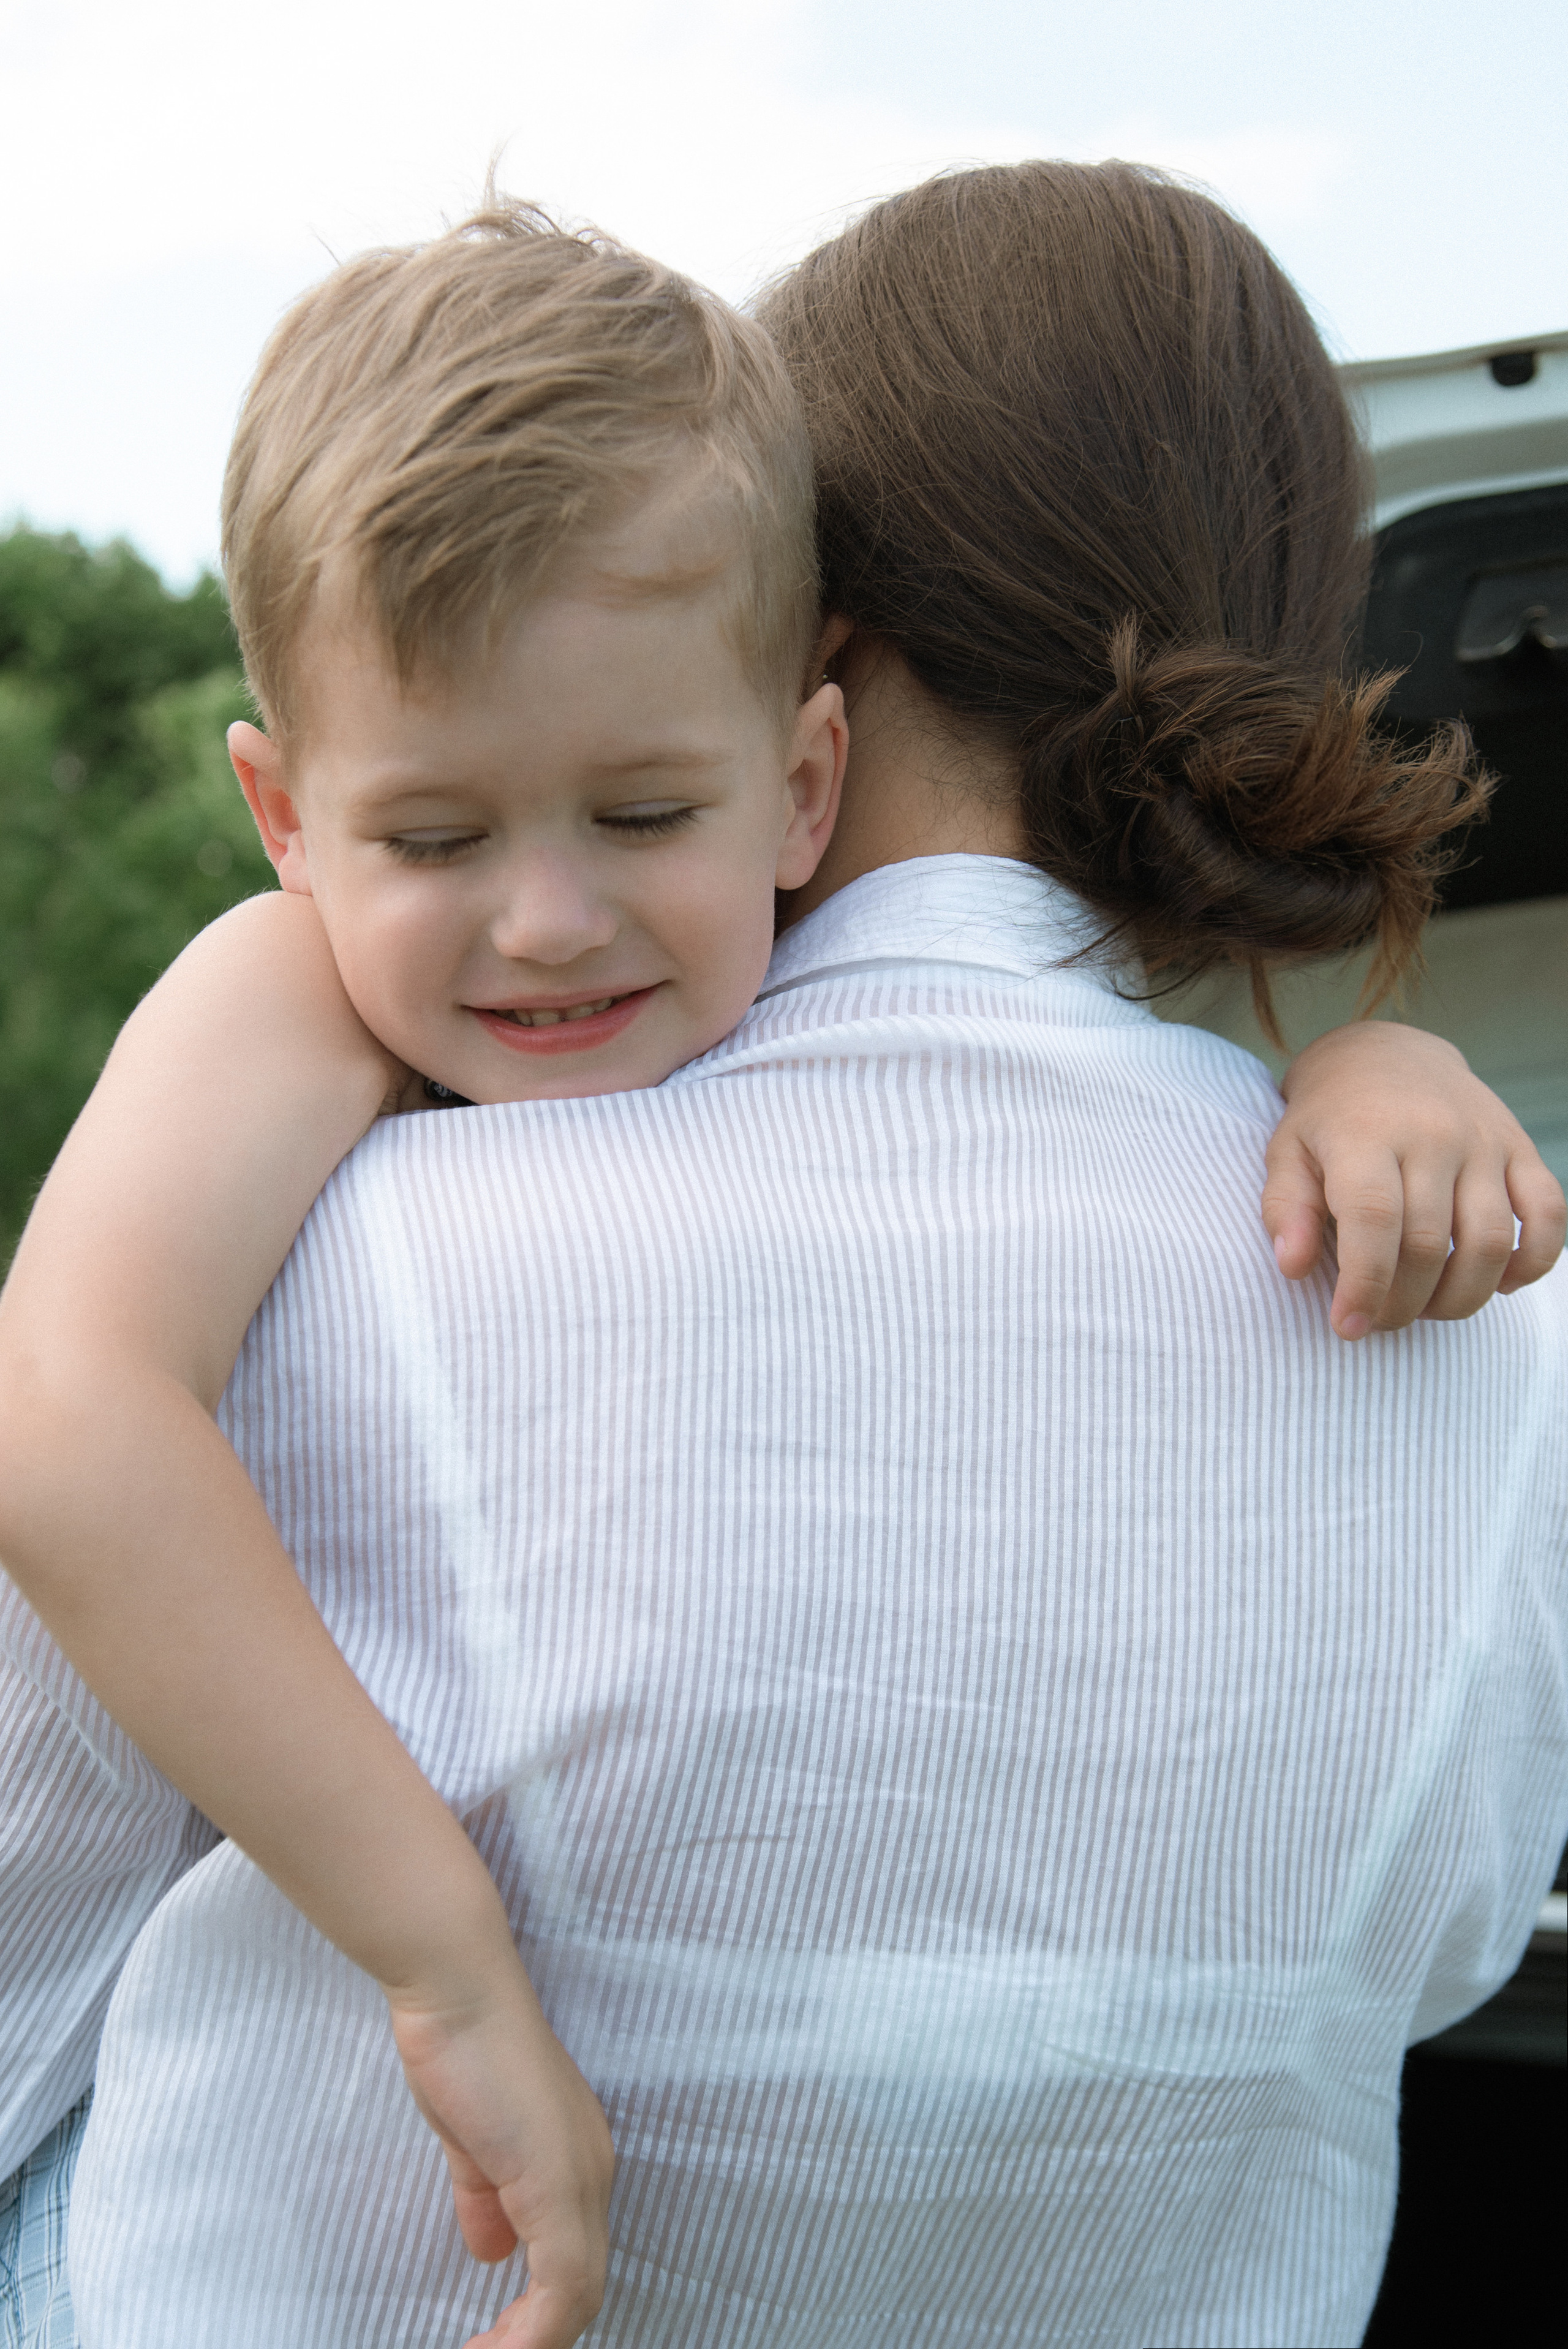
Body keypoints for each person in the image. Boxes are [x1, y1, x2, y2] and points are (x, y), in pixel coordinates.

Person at [0, 171, 1564, 2348]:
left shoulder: (357, 1240)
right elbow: (1461, 1958)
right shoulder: (1473, 1326)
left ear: (813, 718)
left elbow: (27, 1914)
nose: (545, 924)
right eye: (442, 833)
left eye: (640, 811)